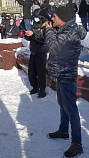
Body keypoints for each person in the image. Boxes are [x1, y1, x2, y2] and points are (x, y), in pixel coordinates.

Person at [45, 6, 87, 157]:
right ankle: (63, 130)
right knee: (63, 105)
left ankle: (77, 144)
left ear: (62, 19)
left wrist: (49, 31)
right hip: (60, 74)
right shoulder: (63, 30)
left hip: (67, 76)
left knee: (72, 110)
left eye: (54, 17)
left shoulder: (70, 31)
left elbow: (55, 47)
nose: (52, 19)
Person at [25, 9, 48, 98]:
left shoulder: (45, 25)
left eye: (36, 17)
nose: (35, 19)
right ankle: (34, 87)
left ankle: (42, 89)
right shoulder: (34, 24)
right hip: (33, 50)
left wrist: (33, 33)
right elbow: (32, 37)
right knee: (31, 71)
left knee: (40, 71)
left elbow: (44, 37)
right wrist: (27, 35)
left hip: (42, 50)